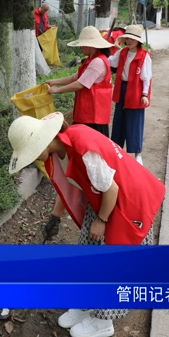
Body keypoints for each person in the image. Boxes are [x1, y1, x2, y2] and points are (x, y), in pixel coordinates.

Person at [7, 112, 165, 337]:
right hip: (103, 199)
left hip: (128, 202)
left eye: (31, 153)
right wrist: (55, 217)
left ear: (42, 141)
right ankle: (86, 303)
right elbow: (69, 186)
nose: (33, 159)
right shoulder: (61, 149)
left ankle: (103, 321)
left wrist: (101, 221)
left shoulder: (83, 149)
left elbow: (112, 189)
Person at [43, 26, 116, 242]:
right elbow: (74, 76)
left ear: (92, 45)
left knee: (91, 171)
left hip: (93, 123)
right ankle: (64, 212)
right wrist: (54, 81)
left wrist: (56, 91)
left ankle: (98, 211)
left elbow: (80, 84)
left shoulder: (97, 62)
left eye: (84, 44)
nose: (82, 47)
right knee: (79, 169)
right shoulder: (89, 61)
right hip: (85, 119)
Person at [108, 25, 151, 166]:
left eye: (132, 38)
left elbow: (146, 77)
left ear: (138, 41)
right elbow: (111, 62)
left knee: (135, 122)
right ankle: (117, 150)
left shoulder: (144, 55)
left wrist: (144, 94)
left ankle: (138, 154)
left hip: (137, 89)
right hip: (123, 87)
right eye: (127, 38)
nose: (129, 41)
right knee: (119, 120)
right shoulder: (123, 53)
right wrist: (114, 45)